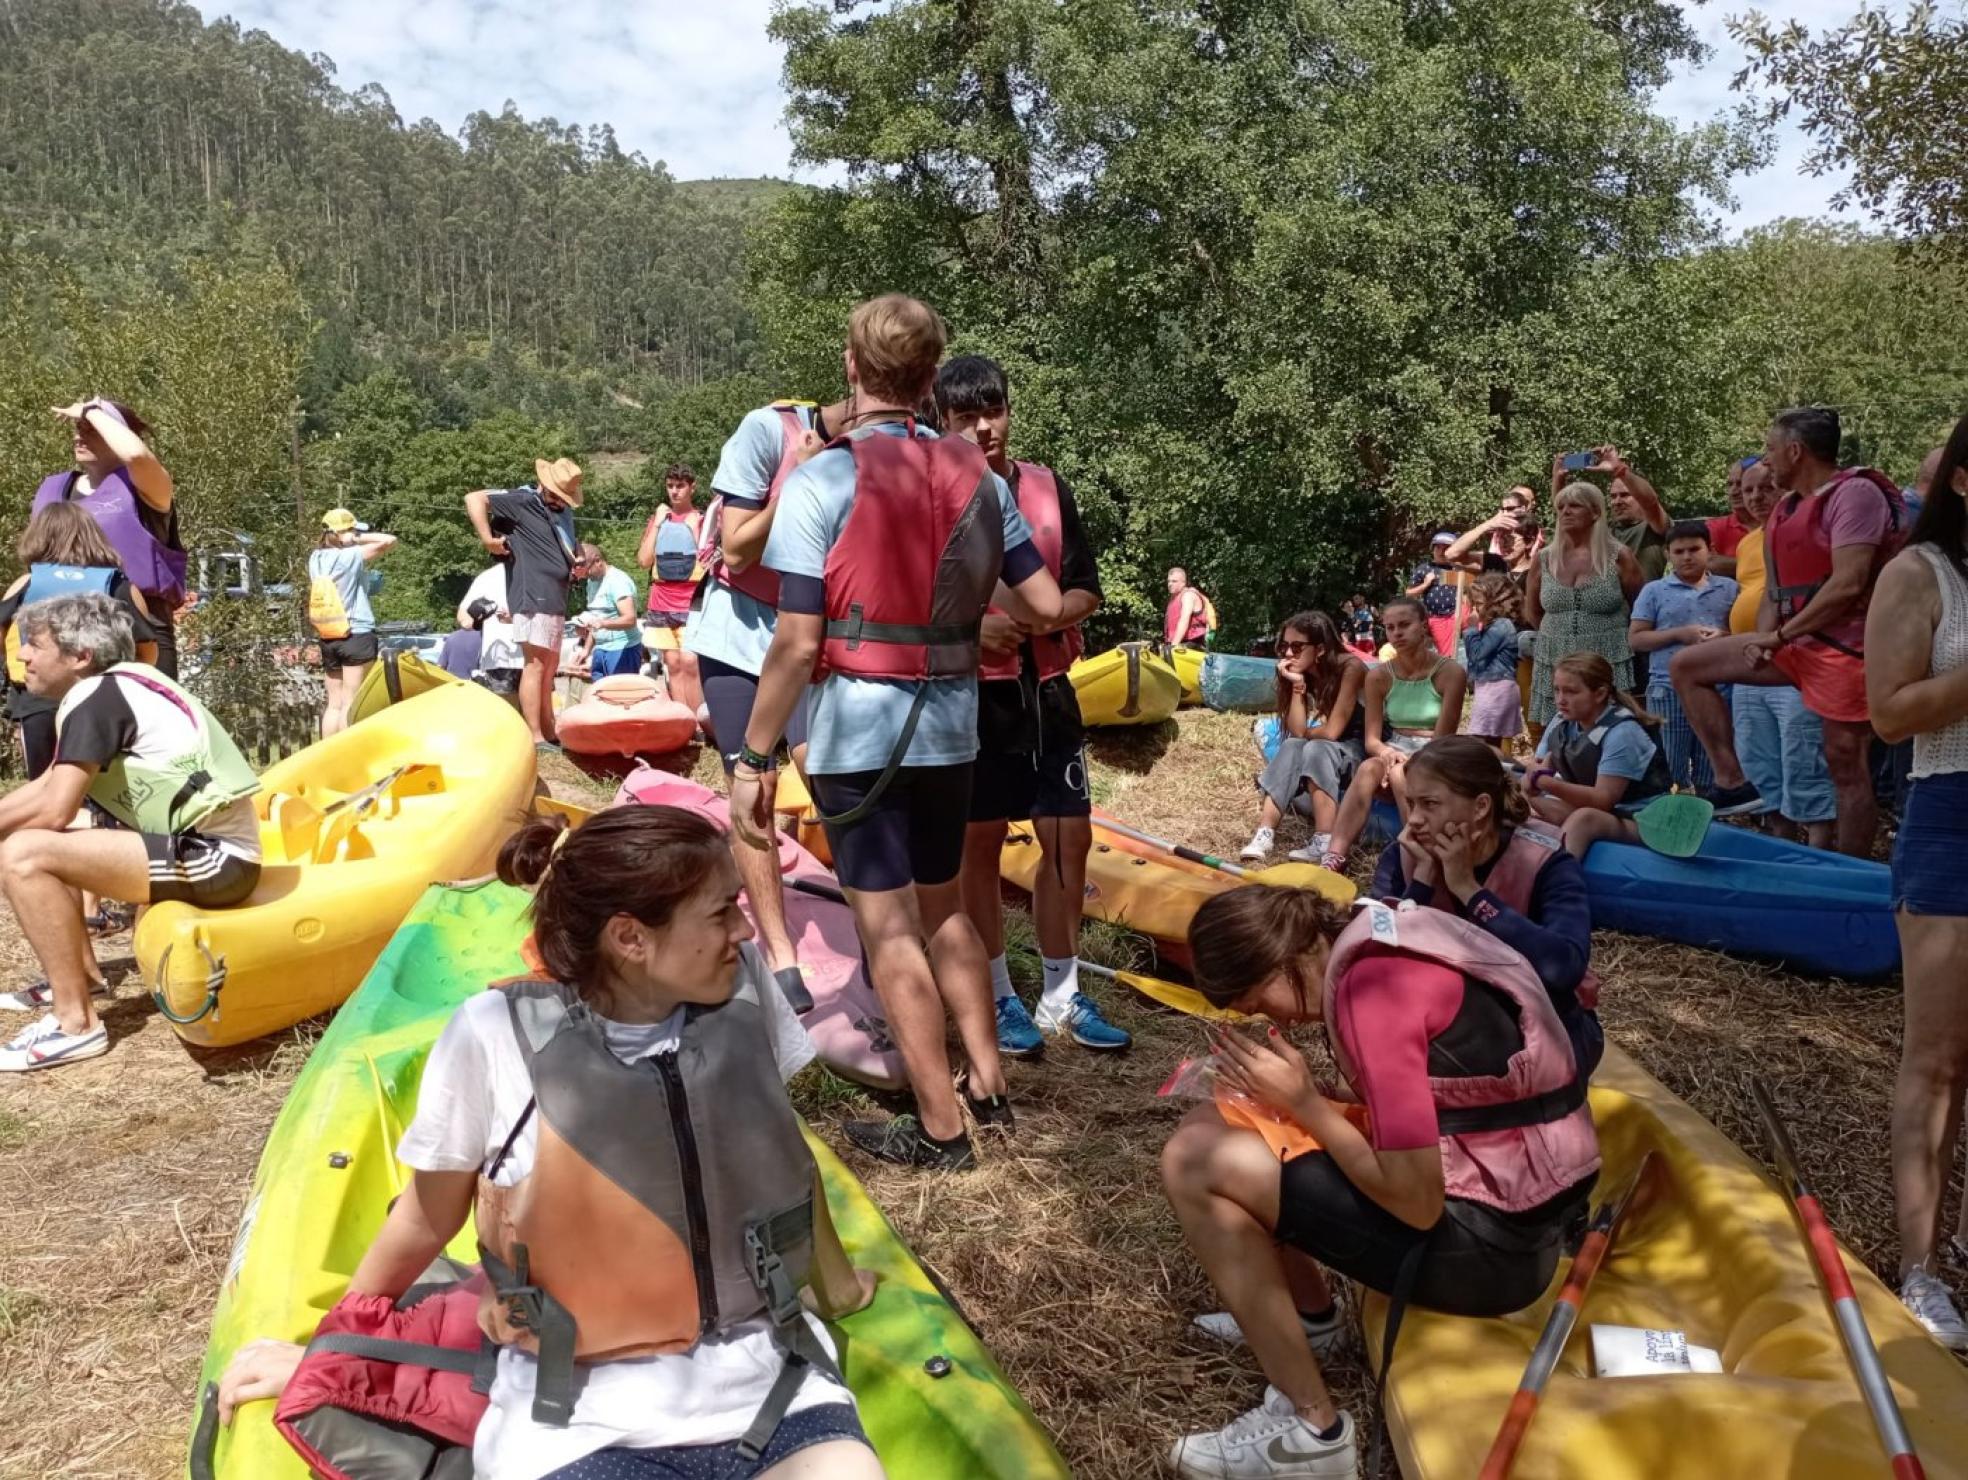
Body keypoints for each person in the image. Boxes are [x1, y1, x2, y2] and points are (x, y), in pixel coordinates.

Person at [215, 805, 886, 1478]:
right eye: (721, 913)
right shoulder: (491, 1035)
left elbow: (780, 1156)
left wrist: (838, 1289)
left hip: (771, 1391)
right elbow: (425, 1217)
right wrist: (335, 1347)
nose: (744, 929)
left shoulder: (744, 993)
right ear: (630, 938)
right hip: (575, 1421)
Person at [730, 294, 1065, 1171]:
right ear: (930, 376)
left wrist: (754, 756)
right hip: (952, 729)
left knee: (888, 930)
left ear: (852, 367)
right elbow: (1039, 603)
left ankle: (940, 1127)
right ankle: (988, 1082)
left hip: (860, 740)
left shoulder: (823, 480)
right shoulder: (981, 477)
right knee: (945, 908)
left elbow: (796, 644)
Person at [1161, 886, 1597, 1480]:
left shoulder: (1372, 995)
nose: (1277, 1022)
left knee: (1193, 1160)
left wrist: (1305, 1104)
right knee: (1213, 1124)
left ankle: (1313, 1434)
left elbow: (1416, 1204)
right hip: (1525, 1216)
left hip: (1494, 1256)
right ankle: (1312, 1321)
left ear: (1281, 960)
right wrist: (1306, 1103)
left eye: (1261, 1003)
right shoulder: (1379, 932)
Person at [937, 355, 1127, 1057]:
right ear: (942, 423)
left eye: (993, 411)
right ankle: (997, 994)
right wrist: (973, 631)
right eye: (965, 417)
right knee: (978, 848)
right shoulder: (926, 499)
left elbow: (1085, 588)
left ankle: (1061, 992)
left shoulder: (1047, 487)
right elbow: (903, 607)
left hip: (1048, 691)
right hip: (972, 698)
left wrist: (1044, 618)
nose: (983, 428)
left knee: (1068, 839)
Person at [0, 595, 261, 1071]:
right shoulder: (113, 689)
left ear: (80, 656)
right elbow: (48, 787)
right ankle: (81, 979)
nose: (22, 656)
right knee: (37, 842)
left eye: (34, 644)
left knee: (25, 853)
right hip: (209, 850)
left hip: (217, 859)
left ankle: (75, 1025)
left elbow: (55, 809)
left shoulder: (99, 697)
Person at [1670, 407, 1905, 856]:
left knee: (1844, 760)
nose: (1766, 458)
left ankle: (1849, 868)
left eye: (1770, 449)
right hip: (1794, 643)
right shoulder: (1784, 510)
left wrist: (1780, 637)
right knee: (1687, 667)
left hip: (1849, 648)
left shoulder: (1855, 494)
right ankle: (1732, 781)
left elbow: (1849, 583)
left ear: (1795, 451)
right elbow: (1775, 595)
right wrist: (1763, 640)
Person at [687, 389, 853, 1014]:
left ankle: (877, 925)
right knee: (753, 789)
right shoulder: (767, 431)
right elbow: (736, 549)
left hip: (810, 636)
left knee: (835, 786)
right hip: (739, 632)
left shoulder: (883, 452)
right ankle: (781, 954)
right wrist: (799, 482)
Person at [1863, 410, 1968, 1351]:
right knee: (1937, 1057)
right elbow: (1889, 713)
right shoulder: (1920, 573)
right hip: (1953, 812)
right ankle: (1922, 1269)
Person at [1373, 736, 1602, 1075]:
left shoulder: (1545, 861)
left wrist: (1469, 891)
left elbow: (1563, 968)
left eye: (1430, 804)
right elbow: (1371, 958)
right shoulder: (1406, 856)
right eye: (1411, 803)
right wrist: (1419, 887)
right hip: (1448, 1024)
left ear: (1481, 807)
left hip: (1544, 1032)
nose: (1415, 819)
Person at [1723, 461, 1835, 848]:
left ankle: (1820, 858)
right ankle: (1780, 849)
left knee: (1805, 764)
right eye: (1748, 490)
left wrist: (1779, 637)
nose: (1755, 497)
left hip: (1795, 664)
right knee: (1760, 765)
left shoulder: (1810, 529)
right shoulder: (1747, 542)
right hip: (1750, 666)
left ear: (1783, 488)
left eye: (1765, 488)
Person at [0, 504, 158, 778]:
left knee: (45, 783)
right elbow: (147, 650)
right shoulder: (118, 585)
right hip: (102, 700)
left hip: (38, 700)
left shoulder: (27, 582)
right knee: (100, 786)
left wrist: (17, 668)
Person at [34, 398, 187, 677]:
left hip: (137, 632)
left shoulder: (149, 487)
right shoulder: (55, 489)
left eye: (91, 429)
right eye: (78, 428)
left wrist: (92, 411)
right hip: (62, 633)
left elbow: (136, 456)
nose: (79, 436)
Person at [1318, 597, 1467, 873]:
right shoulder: (1378, 677)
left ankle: (1419, 855)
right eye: (1390, 627)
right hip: (1395, 747)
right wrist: (1387, 752)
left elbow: (1443, 739)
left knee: (1399, 774)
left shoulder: (1451, 672)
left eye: (1404, 625)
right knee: (1369, 768)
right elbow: (1372, 740)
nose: (1397, 633)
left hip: (1436, 753)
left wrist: (1406, 761)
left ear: (1423, 626)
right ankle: (1335, 854)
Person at [465, 458, 583, 747]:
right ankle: (534, 734)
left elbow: (568, 544)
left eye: (564, 497)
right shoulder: (523, 501)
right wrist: (487, 539)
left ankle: (549, 729)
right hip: (532, 594)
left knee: (550, 666)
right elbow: (474, 498)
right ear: (543, 484)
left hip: (556, 596)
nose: (560, 501)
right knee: (536, 664)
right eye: (556, 494)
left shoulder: (561, 513)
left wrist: (577, 559)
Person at [1240, 612, 1370, 864]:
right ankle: (1264, 834)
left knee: (1316, 748)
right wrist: (1297, 684)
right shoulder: (1309, 674)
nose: (1288, 654)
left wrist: (1310, 735)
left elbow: (1331, 732)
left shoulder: (1350, 668)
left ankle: (1324, 839)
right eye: (1284, 647)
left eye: (1297, 647)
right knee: (1292, 745)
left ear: (1320, 649)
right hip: (1336, 747)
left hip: (1362, 749)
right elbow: (1297, 730)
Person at [1522, 651, 1671, 859]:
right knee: (1520, 803)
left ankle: (1559, 874)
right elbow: (1538, 771)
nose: (1560, 700)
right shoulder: (1562, 722)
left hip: (1642, 821)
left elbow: (1603, 800)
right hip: (1605, 813)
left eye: (1571, 692)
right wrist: (1531, 783)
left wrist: (1546, 783)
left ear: (1600, 694)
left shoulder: (1622, 733)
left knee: (1585, 819)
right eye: (1557, 690)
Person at [1525, 480, 1645, 732]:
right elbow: (1533, 611)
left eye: (1575, 506)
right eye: (1561, 507)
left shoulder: (1619, 556)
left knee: (1609, 731)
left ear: (1595, 512)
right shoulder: (1544, 559)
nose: (1565, 512)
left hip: (1607, 657)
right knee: (1557, 734)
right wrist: (1557, 634)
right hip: (1555, 656)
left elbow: (1641, 609)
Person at [1629, 521, 1737, 791]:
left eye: (1694, 549)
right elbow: (1636, 639)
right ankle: (1675, 805)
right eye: (1679, 551)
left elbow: (1741, 632)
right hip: (1667, 687)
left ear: (1710, 550)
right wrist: (1680, 634)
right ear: (1667, 554)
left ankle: (1711, 804)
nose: (1687, 557)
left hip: (1717, 686)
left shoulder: (1729, 589)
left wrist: (1724, 636)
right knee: (1670, 758)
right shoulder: (1654, 591)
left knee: (1712, 756)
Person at [306, 508, 397, 737]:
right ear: (340, 533)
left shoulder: (315, 558)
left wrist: (346, 537)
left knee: (334, 704)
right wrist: (355, 539)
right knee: (351, 701)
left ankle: (329, 751)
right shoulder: (349, 556)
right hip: (355, 632)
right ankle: (346, 750)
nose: (356, 534)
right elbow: (389, 540)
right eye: (352, 530)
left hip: (329, 635)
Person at [636, 462, 705, 713]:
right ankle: (683, 719)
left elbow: (709, 561)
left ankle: (698, 720)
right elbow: (644, 561)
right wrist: (656, 523)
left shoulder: (702, 519)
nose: (674, 491)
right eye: (670, 486)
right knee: (672, 663)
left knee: (690, 662)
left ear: (692, 487)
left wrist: (694, 529)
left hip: (691, 601)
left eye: (680, 486)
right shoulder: (658, 520)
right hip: (661, 601)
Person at [1463, 572, 1523, 752]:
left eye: (1479, 604)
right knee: (1490, 742)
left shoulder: (1501, 626)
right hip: (1492, 687)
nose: (1475, 609)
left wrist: (1472, 629)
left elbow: (1477, 655)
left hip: (1496, 688)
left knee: (1479, 740)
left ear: (1496, 603)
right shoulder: (1495, 625)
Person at [1444, 487, 1544, 583]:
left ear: (1529, 542)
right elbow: (1451, 554)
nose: (1503, 543)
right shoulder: (1495, 564)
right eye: (1501, 537)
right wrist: (1487, 525)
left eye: (1509, 538)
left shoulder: (1541, 574)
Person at [574, 543, 642, 679]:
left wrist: (603, 623)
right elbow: (596, 619)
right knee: (599, 690)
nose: (585, 576)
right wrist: (586, 650)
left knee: (619, 691)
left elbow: (630, 619)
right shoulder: (592, 582)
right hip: (600, 649)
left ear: (598, 561)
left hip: (623, 649)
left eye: (587, 571)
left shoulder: (618, 581)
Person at [457, 564, 523, 700]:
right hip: (501, 663)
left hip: (536, 658)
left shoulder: (539, 571)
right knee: (506, 708)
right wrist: (473, 619)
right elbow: (463, 614)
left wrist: (515, 618)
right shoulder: (488, 576)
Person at [1406, 532, 1468, 657]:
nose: (1441, 551)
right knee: (1447, 655)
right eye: (1438, 547)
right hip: (1438, 617)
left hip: (1457, 612)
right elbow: (1409, 593)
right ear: (1432, 549)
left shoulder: (1458, 568)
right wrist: (1425, 584)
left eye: (1446, 548)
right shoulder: (1424, 568)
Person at [1707, 457, 1759, 576]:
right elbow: (1709, 563)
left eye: (1740, 484)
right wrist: (1765, 565)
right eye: (1730, 484)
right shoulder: (1716, 526)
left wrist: (1729, 564)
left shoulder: (1779, 522)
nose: (1733, 491)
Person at [1165, 568, 1217, 649]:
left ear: (1183, 582)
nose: (1170, 584)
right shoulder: (1174, 598)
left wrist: (1173, 646)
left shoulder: (1188, 596)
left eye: (1174, 581)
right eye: (1169, 581)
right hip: (1180, 643)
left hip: (1194, 643)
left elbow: (1184, 620)